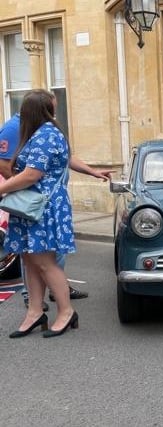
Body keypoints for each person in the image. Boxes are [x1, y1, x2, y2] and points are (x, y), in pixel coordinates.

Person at [0, 99, 113, 310]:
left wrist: (92, 172)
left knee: (44, 260)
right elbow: (9, 166)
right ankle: (38, 303)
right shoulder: (17, 128)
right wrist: (21, 190)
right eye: (52, 106)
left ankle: (59, 304)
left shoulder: (45, 133)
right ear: (39, 109)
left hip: (45, 204)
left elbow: (57, 162)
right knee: (37, 258)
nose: (55, 111)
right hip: (36, 203)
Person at [1, 89, 78, 338]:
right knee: (31, 261)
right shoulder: (38, 133)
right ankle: (35, 312)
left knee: (44, 262)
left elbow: (33, 174)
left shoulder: (46, 134)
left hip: (43, 208)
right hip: (31, 207)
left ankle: (66, 312)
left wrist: (1, 188)